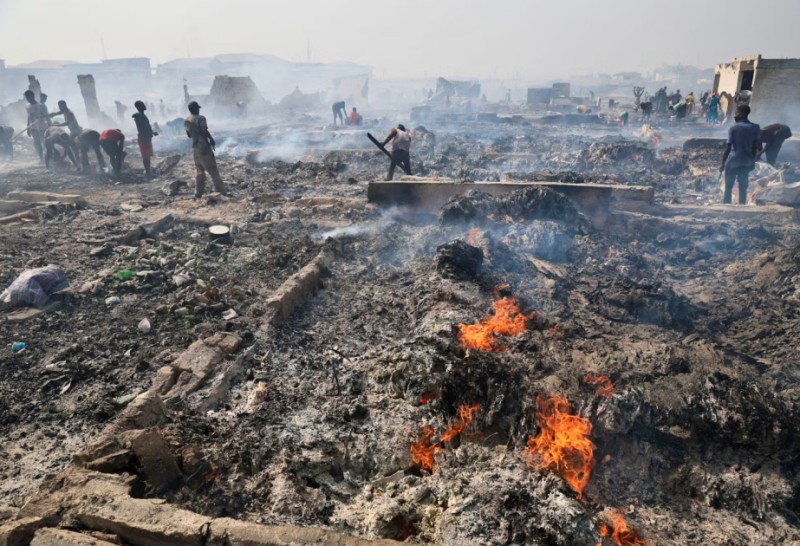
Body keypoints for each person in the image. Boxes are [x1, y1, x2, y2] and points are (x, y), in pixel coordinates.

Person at [720, 105, 761, 205]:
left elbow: (728, 147)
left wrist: (722, 163)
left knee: (728, 187)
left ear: (741, 114)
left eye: (736, 112)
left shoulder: (733, 128)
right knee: (743, 186)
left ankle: (726, 205)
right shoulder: (755, 127)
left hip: (733, 162)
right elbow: (757, 147)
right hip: (747, 162)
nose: (735, 115)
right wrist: (753, 160)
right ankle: (742, 205)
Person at [184, 101, 225, 198]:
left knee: (199, 171)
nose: (199, 110)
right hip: (203, 146)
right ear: (196, 109)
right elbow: (204, 130)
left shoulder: (186, 120)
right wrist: (211, 139)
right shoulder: (201, 118)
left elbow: (189, 135)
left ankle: (198, 193)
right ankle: (220, 191)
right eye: (198, 108)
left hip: (195, 147)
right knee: (212, 169)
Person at [132, 100, 158, 177]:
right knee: (146, 157)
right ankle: (148, 173)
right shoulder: (139, 116)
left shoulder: (142, 115)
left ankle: (148, 171)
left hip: (146, 138)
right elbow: (141, 129)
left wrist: (152, 132)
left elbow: (146, 127)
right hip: (144, 139)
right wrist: (145, 139)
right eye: (142, 104)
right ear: (139, 107)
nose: (144, 105)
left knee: (148, 156)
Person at [24, 90, 49, 161]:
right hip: (33, 128)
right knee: (37, 144)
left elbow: (47, 116)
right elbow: (29, 117)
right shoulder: (27, 106)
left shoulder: (41, 106)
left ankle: (49, 157)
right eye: (27, 98)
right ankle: (41, 158)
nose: (28, 99)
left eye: (29, 97)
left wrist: (49, 125)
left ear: (33, 96)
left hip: (42, 127)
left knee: (45, 143)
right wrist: (28, 128)